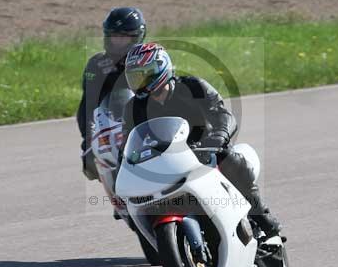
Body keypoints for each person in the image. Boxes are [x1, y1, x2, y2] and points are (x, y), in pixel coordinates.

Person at [121, 42, 283, 239]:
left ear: (160, 68)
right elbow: (127, 142)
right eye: (135, 78)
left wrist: (220, 136)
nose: (139, 82)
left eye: (143, 75)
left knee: (229, 158)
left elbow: (223, 114)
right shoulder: (133, 108)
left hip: (206, 150)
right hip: (165, 162)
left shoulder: (193, 87)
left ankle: (261, 217)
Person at [77, 7, 146, 181]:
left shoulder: (149, 59)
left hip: (147, 129)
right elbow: (87, 106)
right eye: (115, 37)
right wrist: (88, 143)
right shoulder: (97, 64)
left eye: (124, 37)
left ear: (137, 36)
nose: (118, 42)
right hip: (112, 134)